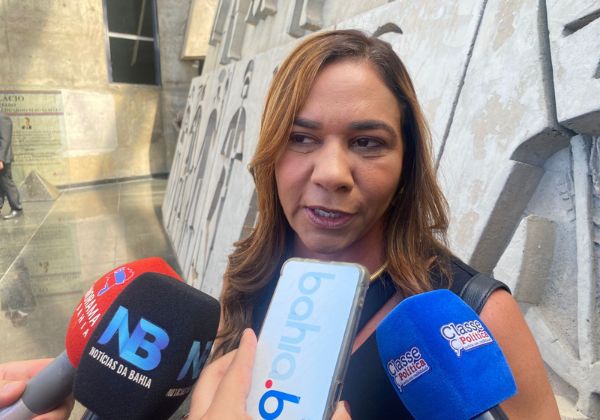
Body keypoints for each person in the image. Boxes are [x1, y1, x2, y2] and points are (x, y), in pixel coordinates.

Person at [0, 29, 560, 418]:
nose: (332, 173)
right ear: (270, 154)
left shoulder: (477, 316)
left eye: (367, 142)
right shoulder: (255, 273)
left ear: (406, 162)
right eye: (301, 138)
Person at [0, 111, 23, 220]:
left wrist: (1, 159)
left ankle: (17, 208)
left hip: (3, 157)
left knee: (7, 182)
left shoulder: (2, 117)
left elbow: (5, 140)